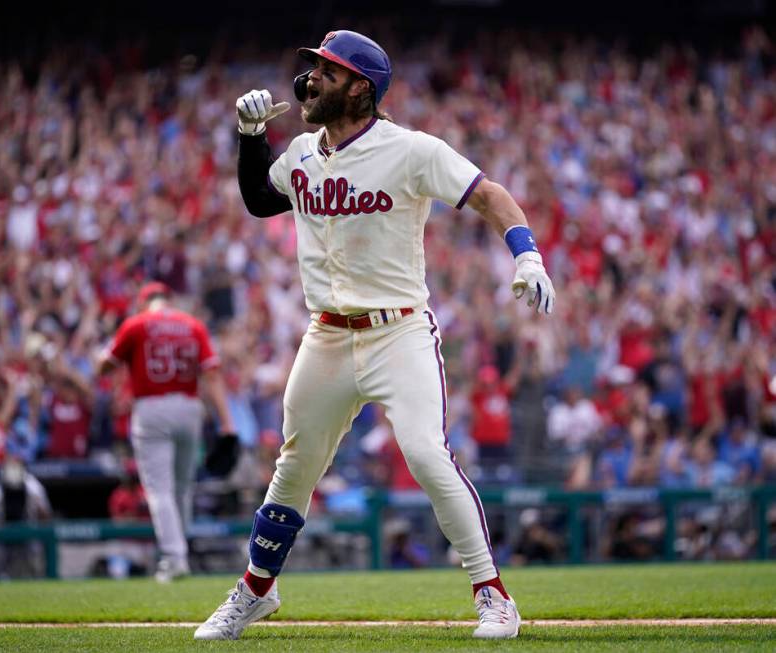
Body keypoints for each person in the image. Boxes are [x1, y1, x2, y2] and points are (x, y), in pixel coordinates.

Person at [195, 30, 556, 641]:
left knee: (424, 453)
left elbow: (490, 196)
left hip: (399, 331)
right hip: (327, 336)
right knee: (294, 467)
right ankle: (256, 590)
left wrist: (527, 256)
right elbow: (261, 198)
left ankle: (493, 593)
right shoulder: (305, 152)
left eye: (327, 72)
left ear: (361, 87)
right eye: (312, 69)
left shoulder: (409, 149)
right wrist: (249, 139)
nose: (310, 80)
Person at [96, 281, 237, 583]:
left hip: (151, 408)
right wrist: (227, 423)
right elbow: (212, 374)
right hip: (189, 407)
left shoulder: (136, 324)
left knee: (159, 489)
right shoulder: (193, 325)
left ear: (143, 302)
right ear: (169, 300)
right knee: (183, 486)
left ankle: (175, 558)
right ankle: (179, 549)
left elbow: (104, 367)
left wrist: (109, 344)